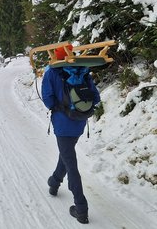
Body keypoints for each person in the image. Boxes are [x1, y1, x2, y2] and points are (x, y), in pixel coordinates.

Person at [41, 45, 101, 224]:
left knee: (71, 164)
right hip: (80, 122)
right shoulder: (82, 71)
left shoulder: (51, 73)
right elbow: (95, 98)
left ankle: (81, 209)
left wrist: (60, 107)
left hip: (62, 123)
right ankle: (54, 181)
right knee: (66, 155)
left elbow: (48, 99)